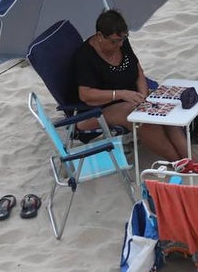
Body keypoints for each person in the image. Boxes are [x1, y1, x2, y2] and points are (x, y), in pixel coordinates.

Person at [73, 9, 189, 163]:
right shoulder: (85, 56)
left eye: (123, 39)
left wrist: (144, 94)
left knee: (160, 108)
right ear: (100, 36)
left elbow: (138, 71)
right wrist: (120, 94)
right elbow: (85, 95)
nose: (120, 44)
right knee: (139, 116)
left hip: (130, 97)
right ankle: (178, 162)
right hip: (96, 110)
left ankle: (191, 157)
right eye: (114, 41)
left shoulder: (121, 42)